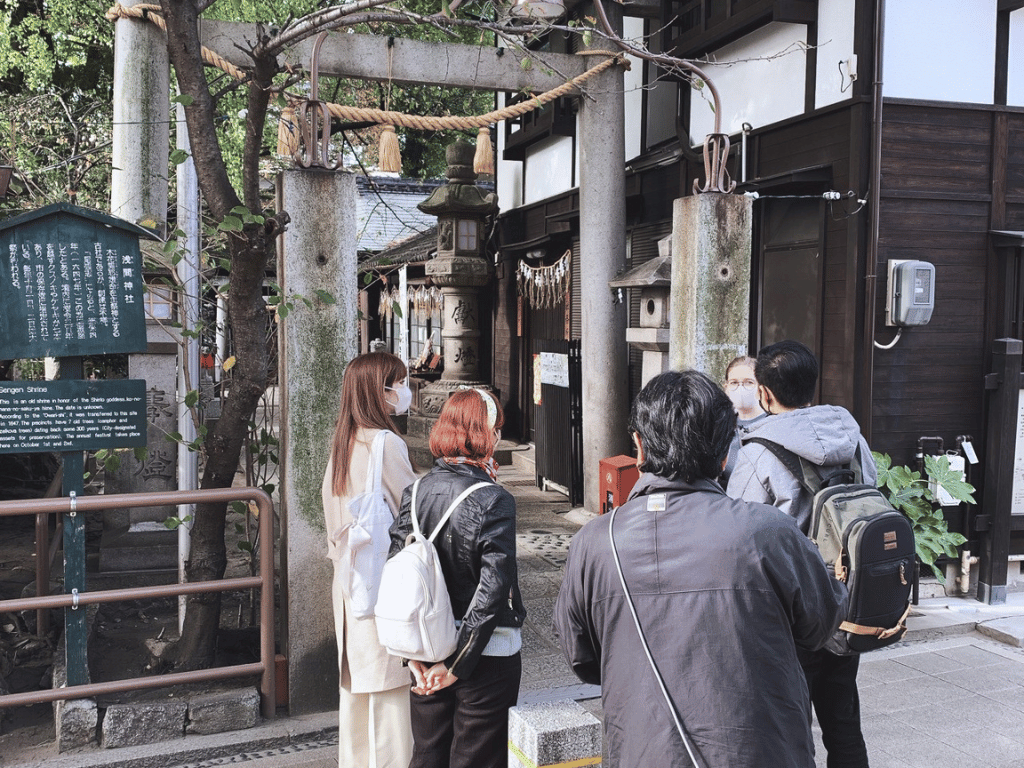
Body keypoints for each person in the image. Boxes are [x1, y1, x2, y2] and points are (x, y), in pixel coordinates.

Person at [554, 370, 848, 768]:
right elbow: (821, 624)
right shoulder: (767, 531)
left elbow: (583, 658)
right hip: (763, 749)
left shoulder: (594, 543)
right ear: (725, 452)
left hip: (645, 750)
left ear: (639, 448)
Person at [727, 339, 876, 768]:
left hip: (790, 613)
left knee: (789, 728)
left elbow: (739, 529)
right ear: (812, 385)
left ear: (764, 394)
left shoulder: (759, 451)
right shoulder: (853, 439)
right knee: (844, 721)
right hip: (844, 598)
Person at [388, 388, 526, 768]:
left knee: (428, 753)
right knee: (478, 756)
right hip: (486, 652)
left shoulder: (413, 492)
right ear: (486, 433)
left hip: (426, 645)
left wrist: (411, 655)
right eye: (496, 427)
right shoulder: (493, 498)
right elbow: (492, 591)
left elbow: (398, 576)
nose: (498, 436)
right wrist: (457, 666)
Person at [321, 351, 417, 768]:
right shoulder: (385, 443)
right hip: (382, 591)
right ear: (381, 392)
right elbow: (414, 513)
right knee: (392, 710)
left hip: (348, 587)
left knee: (357, 707)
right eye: (397, 383)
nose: (404, 390)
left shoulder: (343, 443)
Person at [719, 354, 766, 486]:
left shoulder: (772, 424)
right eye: (734, 383)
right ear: (726, 387)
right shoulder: (721, 426)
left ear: (761, 387)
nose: (741, 388)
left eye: (749, 382)